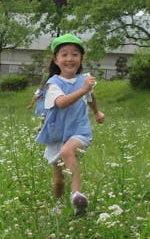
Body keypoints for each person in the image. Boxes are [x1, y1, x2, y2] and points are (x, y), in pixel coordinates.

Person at [35, 34, 105, 216]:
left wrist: (96, 112)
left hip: (79, 131)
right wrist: (83, 90)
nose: (70, 59)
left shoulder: (86, 79)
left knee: (68, 151)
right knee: (58, 180)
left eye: (75, 54)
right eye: (64, 54)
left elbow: (91, 97)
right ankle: (58, 205)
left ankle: (77, 196)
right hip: (57, 134)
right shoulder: (53, 84)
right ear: (56, 59)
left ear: (81, 58)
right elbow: (61, 102)